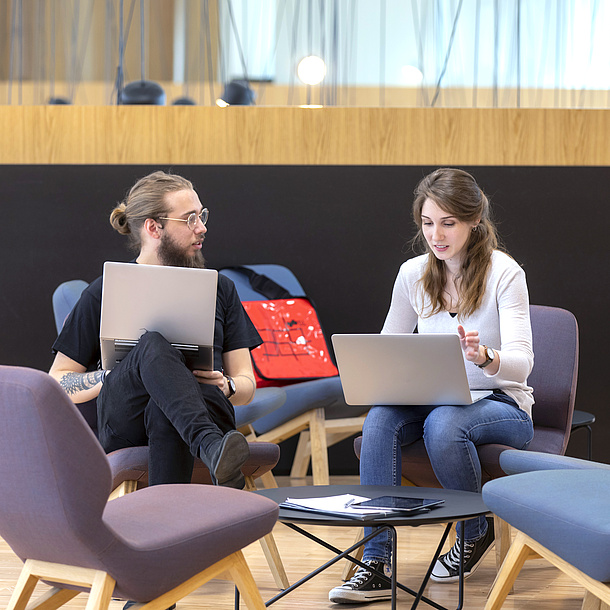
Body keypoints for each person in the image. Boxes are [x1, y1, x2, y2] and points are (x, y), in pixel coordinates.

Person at [329, 168, 534, 604]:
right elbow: (390, 346)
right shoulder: (413, 274)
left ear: (473, 219)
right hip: (438, 397)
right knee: (380, 419)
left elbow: (523, 363)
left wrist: (486, 357)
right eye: (427, 223)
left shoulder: (505, 273)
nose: (435, 236)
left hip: (502, 402)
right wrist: (382, 372)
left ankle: (475, 529)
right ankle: (376, 561)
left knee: (443, 424)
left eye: (448, 223)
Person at [50, 170, 262, 491]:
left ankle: (165, 528)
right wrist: (111, 375)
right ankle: (211, 446)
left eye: (201, 216)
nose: (202, 227)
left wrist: (228, 384)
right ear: (154, 227)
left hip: (204, 403)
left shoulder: (221, 289)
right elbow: (58, 378)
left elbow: (247, 384)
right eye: (189, 219)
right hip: (127, 421)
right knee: (152, 344)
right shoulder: (105, 289)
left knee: (164, 407)